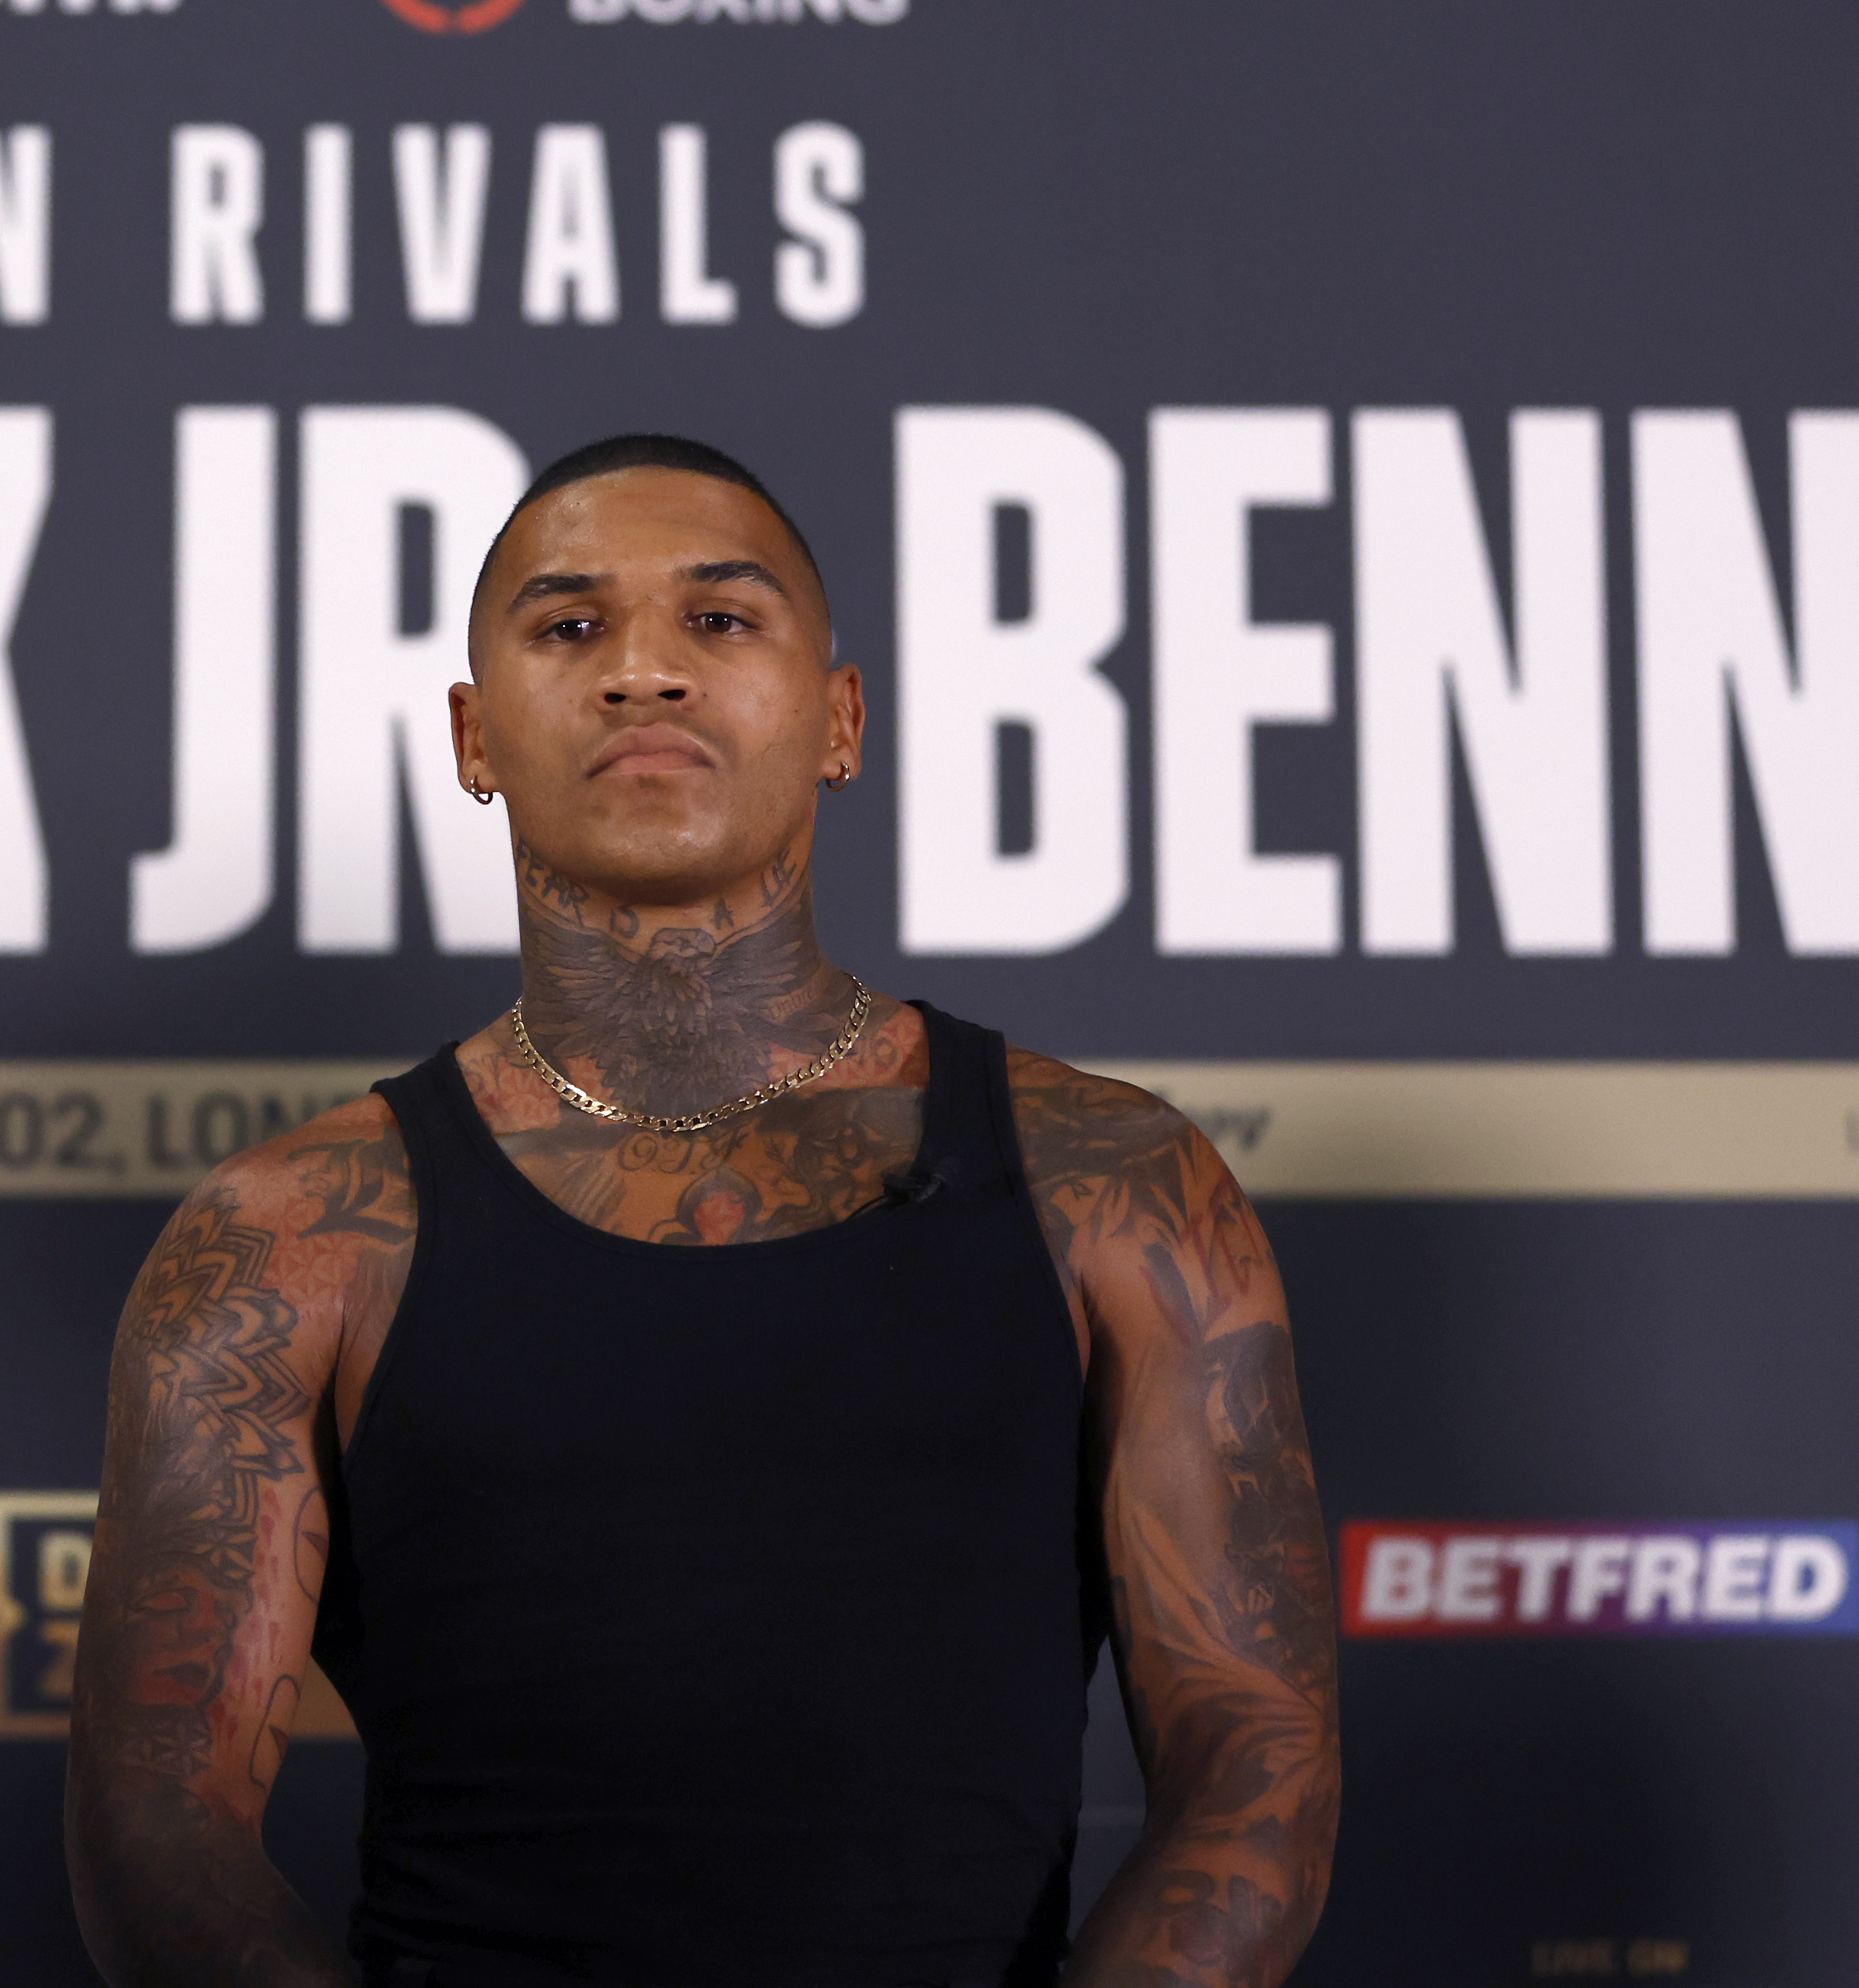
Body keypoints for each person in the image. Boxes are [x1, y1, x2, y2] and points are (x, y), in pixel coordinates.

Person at [65, 436, 1337, 1987]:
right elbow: (156, 1823)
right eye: (570, 626)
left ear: (841, 720)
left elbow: (1256, 1773)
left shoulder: (1115, 1183)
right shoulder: (288, 1238)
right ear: (475, 735)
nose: (643, 672)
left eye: (720, 620)